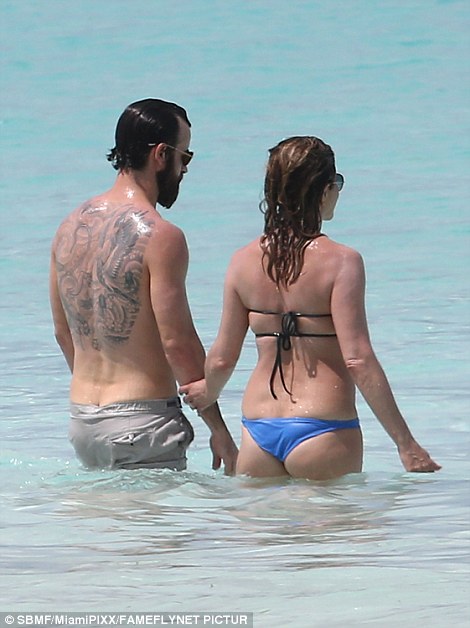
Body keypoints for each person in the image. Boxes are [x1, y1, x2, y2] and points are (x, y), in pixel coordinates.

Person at [179, 136, 441, 481]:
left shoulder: (242, 261)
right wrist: (406, 444)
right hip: (323, 427)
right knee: (332, 518)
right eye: (337, 184)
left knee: (261, 520)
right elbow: (358, 360)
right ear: (324, 190)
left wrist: (208, 391)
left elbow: (222, 359)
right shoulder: (342, 262)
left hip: (258, 429)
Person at [49, 98, 238, 473]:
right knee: (161, 517)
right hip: (143, 424)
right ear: (161, 154)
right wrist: (219, 429)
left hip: (84, 423)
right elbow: (177, 342)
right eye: (185, 157)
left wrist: (101, 410)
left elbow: (63, 332)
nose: (185, 170)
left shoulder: (69, 227)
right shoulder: (161, 235)